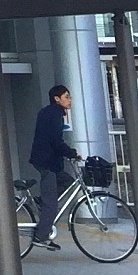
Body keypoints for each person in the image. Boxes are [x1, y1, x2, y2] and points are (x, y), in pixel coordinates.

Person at [29, 84, 80, 249]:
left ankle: (40, 201)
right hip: (48, 162)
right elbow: (56, 141)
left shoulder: (48, 112)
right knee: (51, 205)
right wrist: (72, 153)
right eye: (66, 97)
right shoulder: (55, 114)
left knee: (68, 181)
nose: (69, 100)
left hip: (46, 160)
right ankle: (41, 237)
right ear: (57, 99)